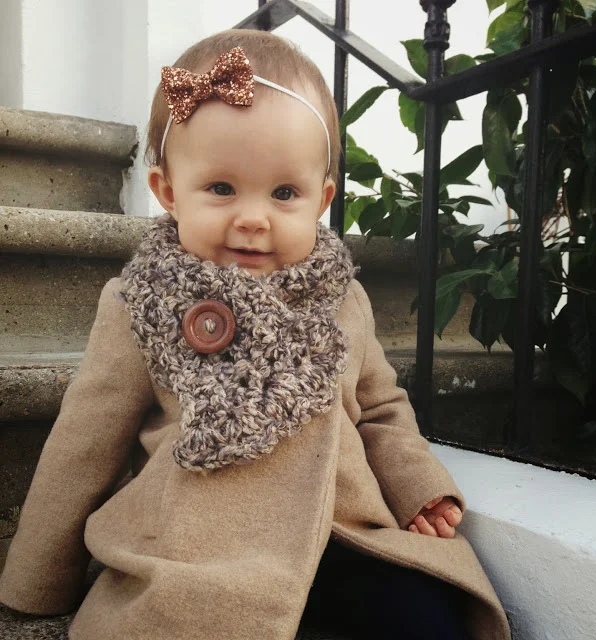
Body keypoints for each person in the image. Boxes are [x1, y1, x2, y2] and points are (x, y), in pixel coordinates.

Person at [0, 29, 510, 640]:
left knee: (427, 621)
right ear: (168, 193)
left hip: (342, 533)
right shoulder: (140, 303)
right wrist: (39, 580)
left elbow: (380, 410)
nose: (252, 218)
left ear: (320, 200)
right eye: (221, 188)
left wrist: (417, 488)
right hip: (195, 549)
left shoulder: (343, 299)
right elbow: (85, 443)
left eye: (284, 193)